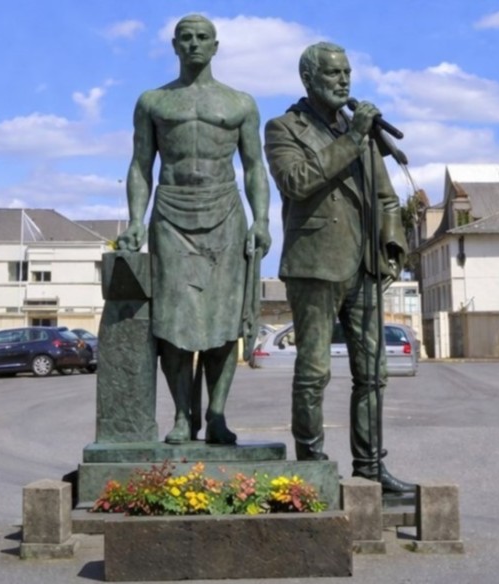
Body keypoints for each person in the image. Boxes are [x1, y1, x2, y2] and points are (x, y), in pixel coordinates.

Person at [263, 41, 413, 493]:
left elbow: (386, 197)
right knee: (314, 371)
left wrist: (392, 244)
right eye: (333, 73)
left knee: (373, 374)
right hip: (314, 264)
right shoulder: (283, 128)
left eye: (347, 72)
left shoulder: (360, 131)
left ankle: (370, 467)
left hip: (364, 265)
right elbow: (297, 181)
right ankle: (311, 466)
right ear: (308, 79)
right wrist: (352, 140)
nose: (343, 80)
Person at [117, 14, 271, 445]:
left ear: (215, 46)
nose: (194, 44)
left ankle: (217, 414)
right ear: (174, 45)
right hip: (171, 214)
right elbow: (141, 165)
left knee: (223, 323)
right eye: (186, 38)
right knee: (173, 324)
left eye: (203, 38)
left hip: (224, 214)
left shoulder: (240, 103)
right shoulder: (153, 102)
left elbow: (254, 167)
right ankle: (184, 416)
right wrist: (135, 220)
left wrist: (261, 220)